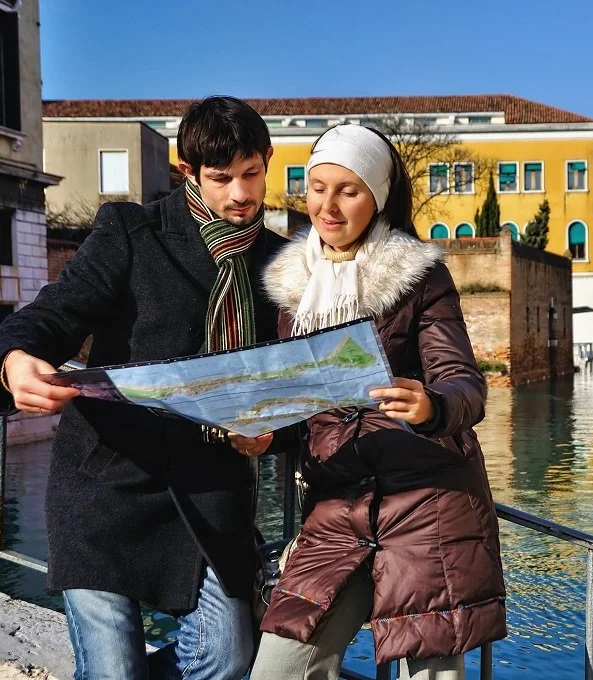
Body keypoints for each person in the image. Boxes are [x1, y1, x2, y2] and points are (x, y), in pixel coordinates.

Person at [0, 96, 291, 680]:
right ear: (187, 172)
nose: (241, 194)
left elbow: (295, 385)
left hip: (211, 495)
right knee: (113, 672)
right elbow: (54, 313)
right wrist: (17, 361)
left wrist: (268, 438)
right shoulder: (130, 232)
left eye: (252, 174)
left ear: (268, 159)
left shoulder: (284, 263)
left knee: (229, 661)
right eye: (222, 179)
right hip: (104, 487)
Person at [250, 124, 506, 679]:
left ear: (379, 196)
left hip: (425, 503)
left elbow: (466, 383)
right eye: (318, 188)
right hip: (337, 506)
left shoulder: (419, 276)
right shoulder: (293, 291)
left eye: (349, 190)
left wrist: (431, 405)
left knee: (431, 677)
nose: (328, 206)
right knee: (278, 670)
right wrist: (268, 434)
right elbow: (302, 407)